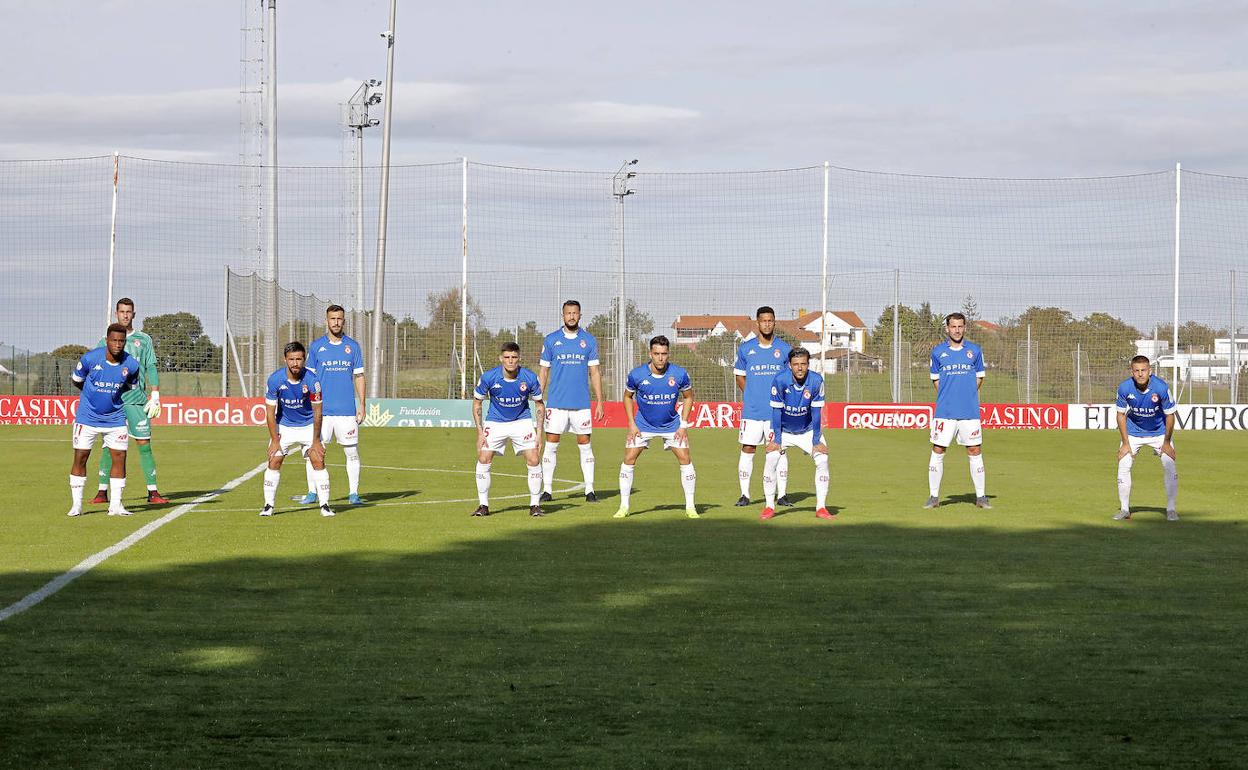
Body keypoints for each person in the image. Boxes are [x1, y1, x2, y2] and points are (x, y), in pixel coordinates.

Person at [91, 298, 166, 506]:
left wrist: (155, 394)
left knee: (144, 444)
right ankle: (101, 491)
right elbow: (94, 367)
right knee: (108, 446)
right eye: (122, 311)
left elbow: (151, 366)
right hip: (113, 403)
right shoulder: (104, 341)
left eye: (128, 312)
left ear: (134, 314)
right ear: (116, 313)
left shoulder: (144, 339)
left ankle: (153, 492)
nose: (125, 315)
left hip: (136, 402)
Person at [615, 336, 698, 519]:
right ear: (650, 354)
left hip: (672, 424)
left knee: (685, 458)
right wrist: (631, 424)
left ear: (668, 354)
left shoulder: (679, 374)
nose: (660, 358)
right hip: (643, 424)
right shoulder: (637, 375)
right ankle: (624, 506)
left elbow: (688, 397)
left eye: (664, 354)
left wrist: (683, 425)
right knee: (629, 458)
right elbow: (627, 397)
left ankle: (691, 507)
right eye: (657, 354)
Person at [68, 324, 140, 517]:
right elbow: (76, 380)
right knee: (81, 457)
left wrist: (111, 398)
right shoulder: (91, 358)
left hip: (115, 419)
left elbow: (130, 386)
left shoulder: (131, 364)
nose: (118, 344)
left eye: (122, 341)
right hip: (87, 417)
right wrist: (92, 395)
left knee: (120, 458)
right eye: (114, 340)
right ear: (107, 340)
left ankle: (115, 506)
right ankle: (77, 505)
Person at [537, 300, 605, 503]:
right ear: (563, 315)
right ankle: (547, 490)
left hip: (581, 404)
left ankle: (590, 490)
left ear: (580, 315)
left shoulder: (589, 341)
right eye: (568, 313)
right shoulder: (551, 340)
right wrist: (539, 398)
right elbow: (543, 371)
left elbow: (594, 372)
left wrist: (599, 401)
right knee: (551, 445)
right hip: (556, 403)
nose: (572, 316)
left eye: (575, 313)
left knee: (585, 444)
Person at [300, 304, 366, 506]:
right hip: (321, 411)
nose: (336, 322)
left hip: (346, 411)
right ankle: (312, 492)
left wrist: (361, 404)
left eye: (339, 319)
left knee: (351, 452)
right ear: (326, 321)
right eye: (332, 319)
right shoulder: (316, 346)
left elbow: (359, 376)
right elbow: (309, 377)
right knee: (315, 451)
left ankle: (353, 494)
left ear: (343, 321)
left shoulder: (352, 347)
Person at [472, 341, 546, 517]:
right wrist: (480, 432)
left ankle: (535, 505)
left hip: (522, 421)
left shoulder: (529, 377)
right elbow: (477, 403)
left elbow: (539, 405)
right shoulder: (489, 377)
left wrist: (539, 434)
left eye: (514, 357)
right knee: (484, 458)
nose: (510, 361)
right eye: (507, 357)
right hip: (495, 421)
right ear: (501, 358)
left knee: (534, 458)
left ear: (519, 358)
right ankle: (483, 505)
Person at [924, 312, 990, 509]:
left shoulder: (975, 351)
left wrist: (966, 394)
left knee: (974, 450)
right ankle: (934, 497)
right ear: (947, 329)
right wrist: (949, 395)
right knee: (938, 450)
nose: (957, 330)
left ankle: (981, 497)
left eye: (960, 326)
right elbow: (936, 380)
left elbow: (979, 378)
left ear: (965, 327)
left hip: (969, 412)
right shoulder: (937, 353)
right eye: (953, 326)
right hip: (945, 412)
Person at [260, 342, 333, 518]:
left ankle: (325, 505)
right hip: (284, 425)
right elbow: (270, 412)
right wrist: (275, 440)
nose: (295, 363)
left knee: (317, 459)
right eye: (291, 359)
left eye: (299, 359)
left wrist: (316, 441)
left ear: (304, 359)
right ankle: (268, 506)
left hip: (308, 425)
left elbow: (318, 412)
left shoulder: (313, 381)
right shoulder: (275, 380)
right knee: (274, 460)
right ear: (285, 359)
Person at [761, 348, 833, 520]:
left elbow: (816, 412)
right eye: (796, 364)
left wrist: (816, 440)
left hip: (807, 431)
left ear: (808, 364)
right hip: (783, 430)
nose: (800, 368)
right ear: (789, 365)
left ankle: (821, 508)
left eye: (803, 364)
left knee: (822, 459)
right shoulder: (780, 380)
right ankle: (769, 506)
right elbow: (776, 412)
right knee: (771, 458)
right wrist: (777, 440)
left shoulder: (816, 381)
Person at [733, 305, 792, 506]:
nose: (767, 324)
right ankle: (745, 495)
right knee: (748, 448)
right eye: (763, 320)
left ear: (774, 322)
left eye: (770, 320)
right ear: (757, 323)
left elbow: (789, 380)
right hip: (752, 411)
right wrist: (752, 395)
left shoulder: (785, 350)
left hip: (777, 412)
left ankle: (782, 494)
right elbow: (740, 377)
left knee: (779, 450)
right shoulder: (745, 349)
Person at [1113, 356, 1178, 521]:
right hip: (1133, 432)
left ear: (1150, 371)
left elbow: (1170, 416)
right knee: (1124, 464)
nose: (1140, 374)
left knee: (1169, 466)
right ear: (1132, 372)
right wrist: (1126, 443)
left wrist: (1166, 443)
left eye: (1144, 370)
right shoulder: (1124, 388)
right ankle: (1124, 509)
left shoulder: (1161, 387)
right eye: (1137, 371)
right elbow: (1120, 415)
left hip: (1160, 433)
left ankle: (1171, 509)